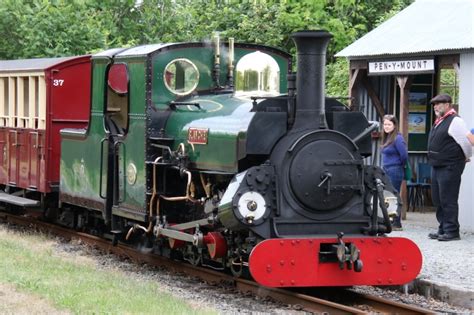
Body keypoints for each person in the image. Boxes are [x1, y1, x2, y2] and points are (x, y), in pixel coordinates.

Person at [427, 94, 472, 241]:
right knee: (438, 199)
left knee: (448, 199)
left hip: (450, 165)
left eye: (438, 104)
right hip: (438, 165)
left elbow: (466, 142)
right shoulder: (440, 121)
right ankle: (443, 228)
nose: (435, 106)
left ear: (447, 105)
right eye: (434, 104)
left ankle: (452, 231)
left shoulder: (455, 120)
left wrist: (465, 157)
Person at [380, 114, 408, 230]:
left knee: (394, 196)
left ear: (395, 125)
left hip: (395, 169)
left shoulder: (398, 138)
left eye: (389, 124)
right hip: (386, 169)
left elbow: (404, 155)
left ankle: (397, 223)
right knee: (388, 195)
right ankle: (390, 221)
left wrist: (398, 164)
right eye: (385, 124)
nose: (386, 127)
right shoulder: (387, 138)